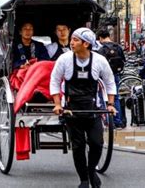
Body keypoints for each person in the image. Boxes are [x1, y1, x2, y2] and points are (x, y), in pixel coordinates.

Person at [50, 28, 116, 188]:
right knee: (78, 146)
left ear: (86, 44)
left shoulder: (99, 61)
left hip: (93, 109)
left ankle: (91, 170)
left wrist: (111, 104)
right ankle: (84, 179)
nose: (71, 43)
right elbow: (54, 80)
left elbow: (109, 82)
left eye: (76, 40)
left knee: (97, 143)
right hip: (72, 110)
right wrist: (58, 104)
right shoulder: (64, 59)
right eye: (72, 39)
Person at [96, 28, 126, 129]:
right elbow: (123, 60)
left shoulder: (101, 50)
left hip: (104, 77)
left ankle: (107, 121)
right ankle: (117, 121)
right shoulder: (118, 47)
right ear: (109, 36)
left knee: (103, 97)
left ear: (100, 38)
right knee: (115, 97)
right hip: (116, 74)